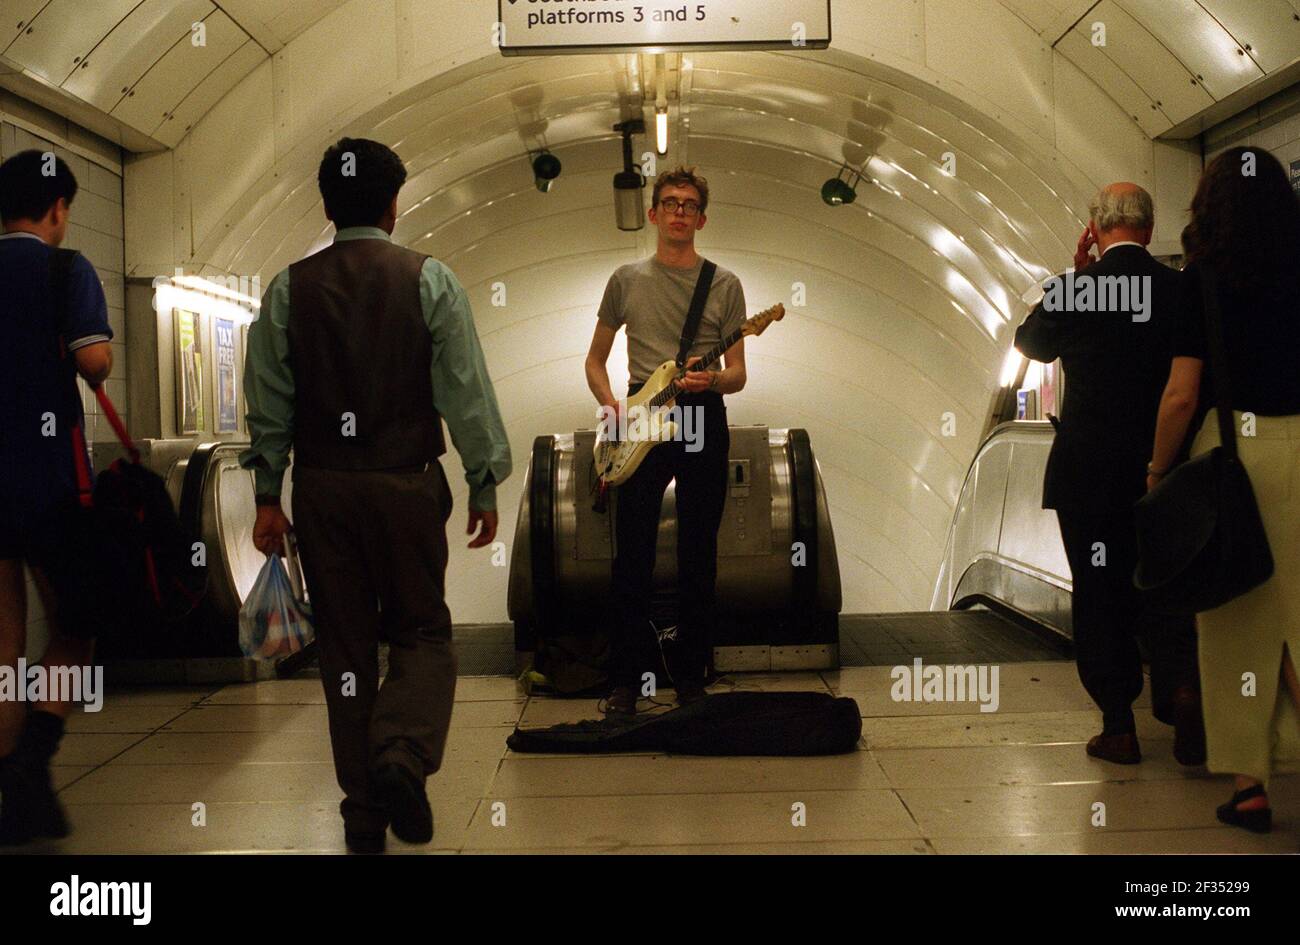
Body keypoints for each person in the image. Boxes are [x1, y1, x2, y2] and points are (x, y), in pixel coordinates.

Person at [241, 138, 511, 854]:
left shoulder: (286, 290)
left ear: (327, 206)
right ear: (394, 205)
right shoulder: (431, 281)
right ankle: (400, 751)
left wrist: (269, 493)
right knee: (422, 631)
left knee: (347, 649)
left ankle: (362, 814)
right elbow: (467, 392)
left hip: (323, 489)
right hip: (408, 483)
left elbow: (269, 403)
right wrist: (484, 476)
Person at [1015, 182, 1203, 765]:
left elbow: (1032, 344)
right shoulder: (1178, 290)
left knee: (1100, 593)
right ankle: (1181, 690)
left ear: (1094, 231)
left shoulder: (1075, 292)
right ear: (1148, 231)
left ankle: (1119, 725)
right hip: (1165, 471)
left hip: (1087, 474)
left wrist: (1074, 279)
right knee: (1169, 585)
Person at [1148, 147, 1300, 833]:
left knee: (1238, 623)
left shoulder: (1202, 278)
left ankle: (1250, 787)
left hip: (1240, 458)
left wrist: (1157, 469)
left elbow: (1181, 394)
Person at [585, 166, 747, 717]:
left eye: (690, 204)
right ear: (653, 214)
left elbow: (738, 373)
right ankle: (625, 680)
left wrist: (714, 380)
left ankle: (692, 675)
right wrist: (610, 403)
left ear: (701, 218)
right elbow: (595, 357)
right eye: (670, 202)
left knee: (697, 549)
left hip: (700, 410)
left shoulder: (724, 284)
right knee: (632, 552)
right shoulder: (625, 280)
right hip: (640, 411)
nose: (679, 211)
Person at [0, 150, 113, 845]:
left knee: (3, 643)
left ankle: (9, 769)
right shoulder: (65, 270)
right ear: (58, 209)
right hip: (50, 480)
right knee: (76, 623)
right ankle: (32, 763)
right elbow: (94, 362)